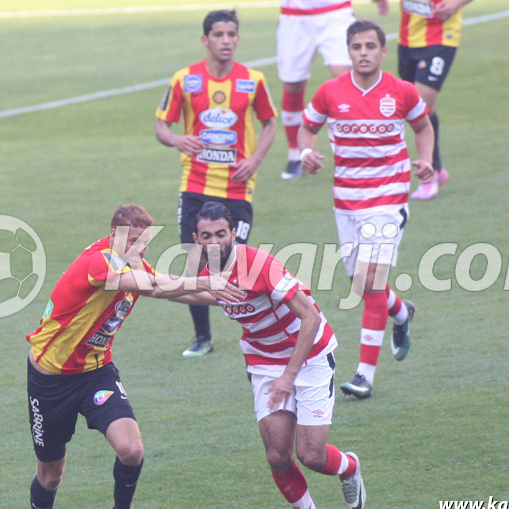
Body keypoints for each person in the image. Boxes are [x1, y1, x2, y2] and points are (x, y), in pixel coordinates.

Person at [25, 204, 244, 509]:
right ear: (114, 235)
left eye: (146, 243)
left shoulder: (131, 260)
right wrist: (209, 281)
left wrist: (237, 298)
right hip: (50, 381)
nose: (141, 249)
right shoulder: (98, 263)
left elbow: (170, 292)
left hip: (96, 372)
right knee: (51, 474)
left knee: (131, 449)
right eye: (135, 242)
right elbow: (154, 287)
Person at [178, 201, 366, 509]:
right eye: (205, 236)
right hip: (264, 361)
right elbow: (184, 293)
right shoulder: (205, 272)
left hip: (309, 357)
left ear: (234, 234)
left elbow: (309, 317)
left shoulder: (259, 265)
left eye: (221, 234)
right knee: (278, 456)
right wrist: (131, 282)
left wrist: (289, 377)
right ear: (196, 238)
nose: (214, 242)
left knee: (311, 455)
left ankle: (349, 467)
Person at [297, 20, 434, 399]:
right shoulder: (330, 92)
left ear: (382, 51)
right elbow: (306, 128)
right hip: (346, 202)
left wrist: (425, 161)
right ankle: (402, 312)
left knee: (371, 282)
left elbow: (423, 127)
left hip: (388, 199)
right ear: (349, 50)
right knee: (362, 284)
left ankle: (364, 376)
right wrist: (306, 152)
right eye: (356, 46)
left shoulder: (401, 92)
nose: (363, 53)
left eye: (370, 46)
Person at [155, 9, 277, 358]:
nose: (226, 41)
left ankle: (259, 327)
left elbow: (269, 124)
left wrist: (254, 160)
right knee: (195, 264)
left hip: (238, 187)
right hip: (194, 182)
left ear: (238, 39)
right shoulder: (185, 79)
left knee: (234, 263)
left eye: (231, 34)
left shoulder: (253, 80)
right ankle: (202, 338)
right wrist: (177, 140)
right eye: (219, 35)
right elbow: (162, 126)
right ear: (205, 39)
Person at [374, 0, 473, 200]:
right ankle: (438, 169)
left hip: (441, 38)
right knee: (415, 107)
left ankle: (430, 175)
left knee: (422, 105)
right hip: (408, 40)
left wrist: (455, 4)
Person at [276, 0, 356, 180]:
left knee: (345, 80)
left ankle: (353, 151)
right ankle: (296, 155)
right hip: (295, 17)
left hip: (336, 13)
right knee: (293, 85)